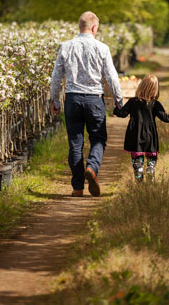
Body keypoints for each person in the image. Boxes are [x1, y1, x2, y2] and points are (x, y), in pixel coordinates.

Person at [50, 11, 123, 197]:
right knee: (98, 138)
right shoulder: (102, 48)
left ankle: (77, 187)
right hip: (94, 100)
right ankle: (91, 167)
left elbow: (56, 76)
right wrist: (118, 99)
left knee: (75, 143)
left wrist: (55, 100)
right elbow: (111, 77)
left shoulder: (65, 46)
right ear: (94, 27)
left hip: (72, 99)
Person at [114, 74, 169, 182]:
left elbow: (122, 114)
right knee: (151, 157)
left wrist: (116, 107)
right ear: (156, 89)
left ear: (141, 86)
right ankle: (150, 169)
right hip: (150, 135)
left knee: (137, 159)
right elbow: (166, 118)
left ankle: (139, 174)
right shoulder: (155, 104)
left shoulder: (133, 102)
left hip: (135, 135)